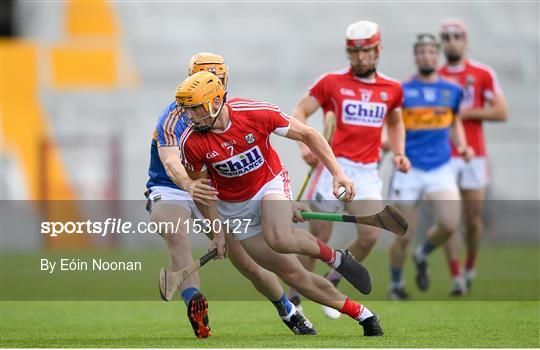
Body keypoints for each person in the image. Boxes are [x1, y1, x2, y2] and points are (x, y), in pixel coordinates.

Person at [177, 70, 384, 336]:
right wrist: (218, 233)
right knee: (295, 276)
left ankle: (336, 258)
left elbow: (309, 135)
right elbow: (203, 192)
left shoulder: (255, 113)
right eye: (187, 110)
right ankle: (363, 314)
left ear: (216, 102)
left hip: (268, 184)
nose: (190, 117)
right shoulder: (191, 143)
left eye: (194, 109)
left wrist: (338, 173)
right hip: (234, 209)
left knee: (279, 238)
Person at [146, 52, 316, 338]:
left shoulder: (231, 113)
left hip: (213, 191)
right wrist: (189, 186)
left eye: (220, 80)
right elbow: (172, 163)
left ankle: (286, 309)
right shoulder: (173, 117)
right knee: (173, 230)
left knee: (248, 264)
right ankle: (195, 305)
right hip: (173, 186)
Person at [290, 20, 410, 318]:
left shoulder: (392, 88)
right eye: (354, 52)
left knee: (370, 236)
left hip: (367, 172)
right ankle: (297, 296)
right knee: (317, 240)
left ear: (378, 50)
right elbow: (300, 111)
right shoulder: (331, 82)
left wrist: (399, 152)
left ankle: (333, 280)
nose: (360, 58)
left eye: (366, 51)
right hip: (331, 168)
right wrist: (305, 146)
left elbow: (395, 122)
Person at [387, 33, 474, 300]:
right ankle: (396, 285)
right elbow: (391, 123)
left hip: (440, 167)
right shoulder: (401, 91)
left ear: (437, 56)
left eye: (431, 52)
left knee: (449, 224)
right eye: (421, 52)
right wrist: (389, 146)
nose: (426, 56)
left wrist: (462, 145)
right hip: (409, 169)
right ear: (416, 56)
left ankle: (422, 253)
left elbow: (455, 121)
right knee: (403, 233)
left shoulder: (451, 91)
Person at [438, 19, 508, 295]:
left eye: (456, 36)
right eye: (446, 37)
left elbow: (501, 112)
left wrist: (465, 113)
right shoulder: (435, 76)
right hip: (444, 156)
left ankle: (470, 264)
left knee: (472, 219)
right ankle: (456, 275)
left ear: (465, 40)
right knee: (450, 219)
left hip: (473, 156)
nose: (451, 41)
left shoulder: (482, 73)